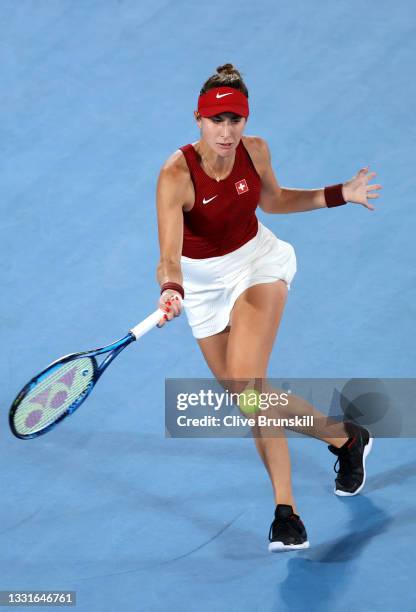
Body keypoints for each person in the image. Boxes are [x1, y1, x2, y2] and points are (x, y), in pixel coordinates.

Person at [155, 63, 382, 552]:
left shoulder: (254, 151)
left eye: (235, 119)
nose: (227, 131)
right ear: (198, 119)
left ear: (245, 120)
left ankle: (286, 513)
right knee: (248, 399)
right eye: (217, 120)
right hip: (202, 286)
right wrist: (171, 288)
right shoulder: (175, 175)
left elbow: (274, 202)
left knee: (248, 384)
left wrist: (342, 193)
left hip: (258, 263)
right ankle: (345, 438)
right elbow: (168, 256)